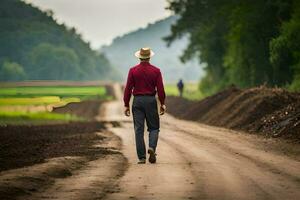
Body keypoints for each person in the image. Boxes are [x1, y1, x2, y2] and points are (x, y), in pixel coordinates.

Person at [123, 47, 166, 164]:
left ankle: (142, 158)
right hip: (151, 101)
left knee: (138, 129)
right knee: (154, 127)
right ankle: (151, 147)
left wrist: (126, 104)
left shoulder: (133, 70)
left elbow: (128, 89)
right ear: (149, 57)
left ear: (139, 57)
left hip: (137, 101)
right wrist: (162, 103)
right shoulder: (156, 71)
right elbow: (161, 89)